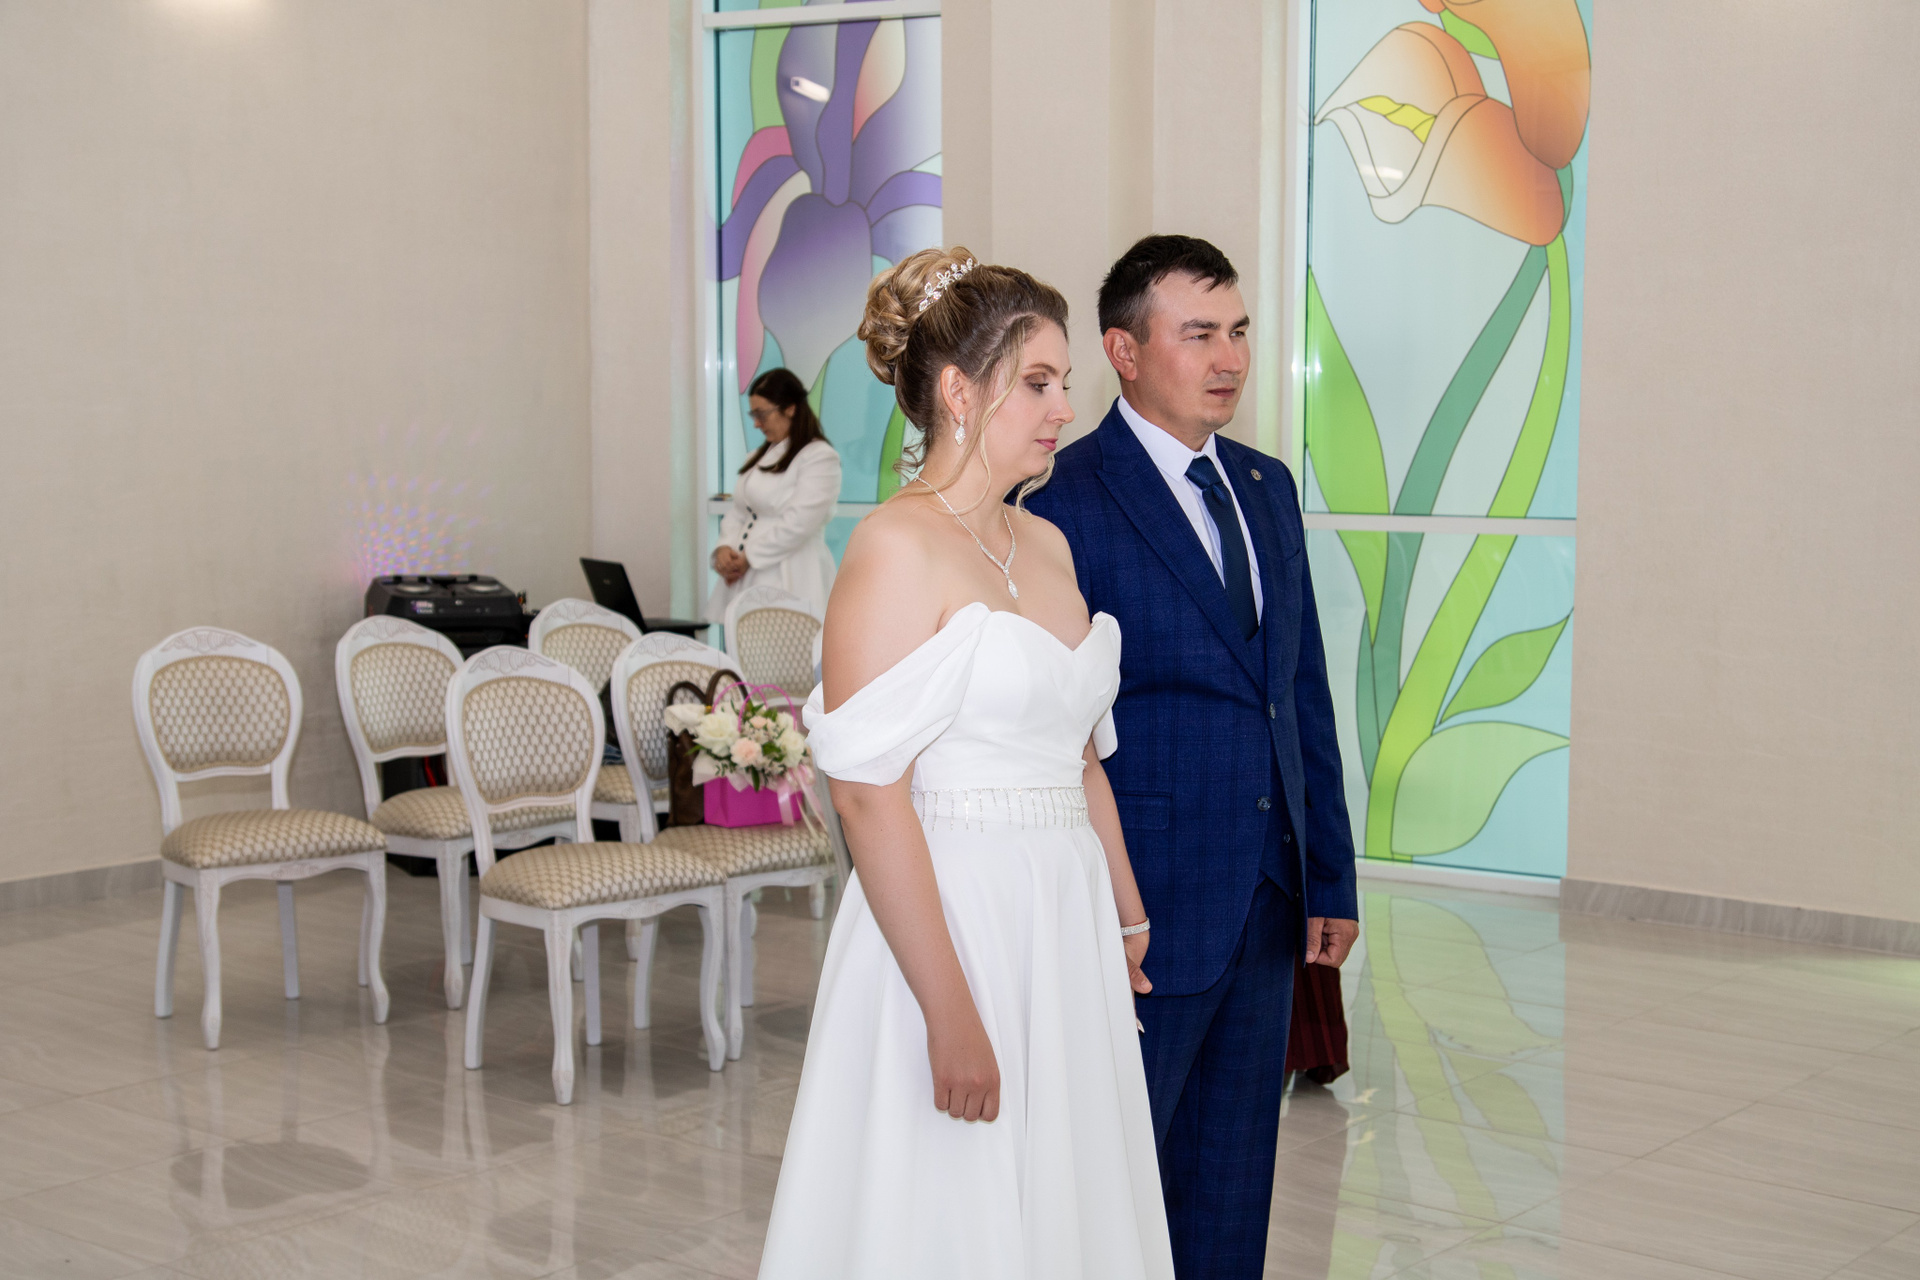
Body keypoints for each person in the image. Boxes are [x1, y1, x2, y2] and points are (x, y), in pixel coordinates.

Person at [757, 248, 1174, 1279]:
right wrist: (949, 1010)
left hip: (1063, 919)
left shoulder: (1048, 545)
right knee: (952, 1214)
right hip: (951, 918)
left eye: (1064, 382)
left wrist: (1125, 914)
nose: (1063, 408)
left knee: (1067, 1201)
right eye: (1038, 382)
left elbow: (1081, 758)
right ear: (957, 391)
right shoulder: (894, 546)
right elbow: (867, 793)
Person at [1025, 235, 1360, 1280]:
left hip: (1266, 893)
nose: (1230, 357)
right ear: (1124, 351)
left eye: (1240, 331)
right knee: (1117, 1180)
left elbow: (1299, 690)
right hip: (1142, 902)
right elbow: (1053, 731)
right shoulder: (1062, 498)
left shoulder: (1265, 484)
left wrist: (1329, 873)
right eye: (1200, 333)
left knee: (1230, 1183)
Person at [705, 366, 842, 623]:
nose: (756, 424)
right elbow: (740, 511)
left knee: (782, 641)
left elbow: (800, 523)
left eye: (762, 414)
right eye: (753, 414)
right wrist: (724, 548)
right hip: (746, 573)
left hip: (790, 572)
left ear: (790, 408)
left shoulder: (819, 457)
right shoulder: (758, 457)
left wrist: (749, 557)